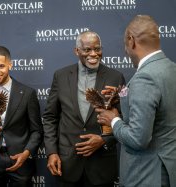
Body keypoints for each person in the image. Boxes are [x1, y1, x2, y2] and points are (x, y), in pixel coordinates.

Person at [96, 15, 176, 187]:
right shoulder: (171, 68)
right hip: (167, 170)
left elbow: (138, 139)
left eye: (125, 45)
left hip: (146, 176)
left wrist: (113, 120)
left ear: (131, 41)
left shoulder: (145, 77)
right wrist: (125, 95)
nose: (126, 51)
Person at [42, 31, 125, 187]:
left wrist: (104, 139)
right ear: (77, 51)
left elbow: (124, 117)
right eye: (87, 49)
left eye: (97, 49)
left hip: (102, 165)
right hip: (67, 165)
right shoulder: (60, 76)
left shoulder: (117, 77)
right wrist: (52, 152)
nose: (93, 54)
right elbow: (50, 117)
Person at [0, 46, 43, 187]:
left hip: (20, 161)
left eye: (1, 66)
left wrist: (26, 153)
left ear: (10, 64)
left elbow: (37, 131)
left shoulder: (28, 93)